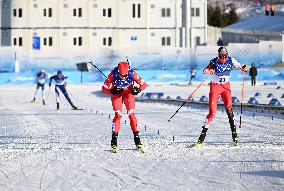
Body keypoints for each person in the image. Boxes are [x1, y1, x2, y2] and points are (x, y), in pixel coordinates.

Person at [195, 47, 248, 147]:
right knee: (212, 112)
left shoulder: (231, 60)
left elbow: (241, 66)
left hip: (226, 87)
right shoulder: (214, 61)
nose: (223, 58)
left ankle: (235, 136)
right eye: (221, 56)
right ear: (218, 55)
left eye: (225, 56)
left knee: (229, 109)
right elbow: (204, 71)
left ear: (227, 55)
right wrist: (209, 70)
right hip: (215, 87)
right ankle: (201, 139)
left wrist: (244, 68)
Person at [102, 61, 147, 153]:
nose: (123, 77)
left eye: (125, 76)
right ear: (118, 72)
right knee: (118, 115)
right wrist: (112, 90)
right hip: (117, 95)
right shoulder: (113, 74)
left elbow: (143, 84)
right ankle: (114, 142)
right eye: (121, 75)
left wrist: (137, 90)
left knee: (131, 115)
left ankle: (137, 141)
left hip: (128, 94)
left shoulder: (132, 73)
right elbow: (103, 88)